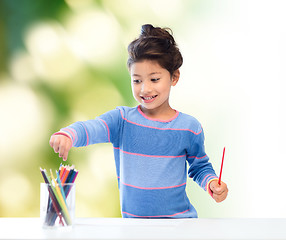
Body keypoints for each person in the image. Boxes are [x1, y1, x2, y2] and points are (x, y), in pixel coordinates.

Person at [49, 24, 228, 218]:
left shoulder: (189, 128)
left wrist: (211, 183)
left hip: (179, 225)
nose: (145, 89)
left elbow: (200, 167)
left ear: (174, 77)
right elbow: (92, 128)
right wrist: (67, 134)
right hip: (134, 227)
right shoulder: (122, 120)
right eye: (137, 80)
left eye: (154, 79)